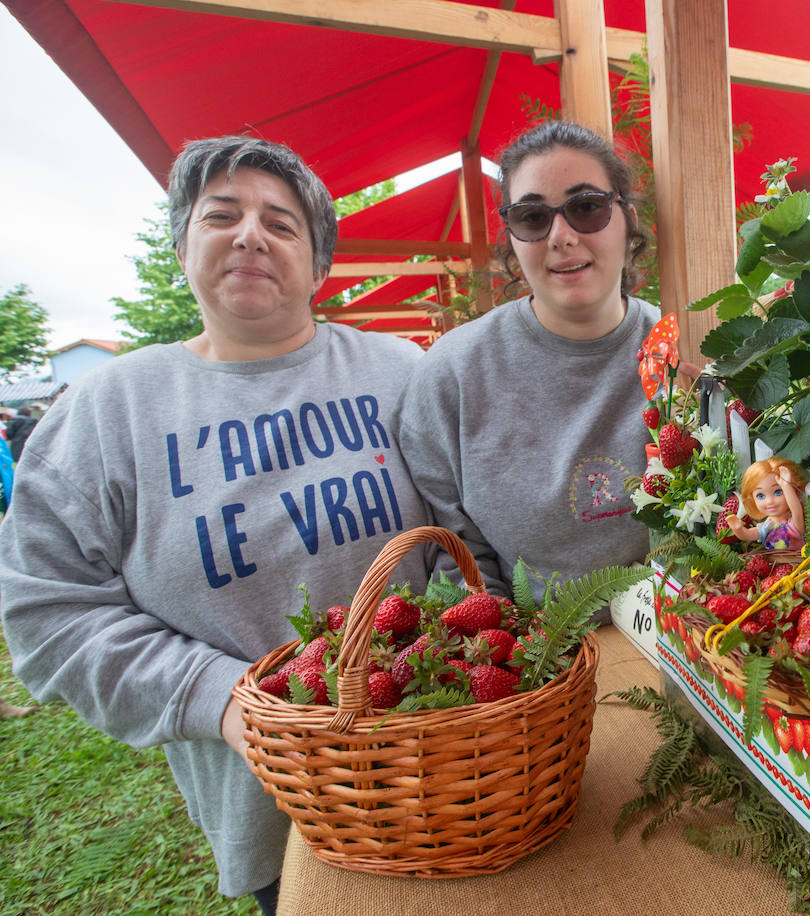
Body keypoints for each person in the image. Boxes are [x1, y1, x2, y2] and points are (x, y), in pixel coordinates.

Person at [0, 136, 432, 914]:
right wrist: (224, 701)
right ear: (183, 244)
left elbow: (475, 530)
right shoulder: (109, 411)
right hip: (272, 808)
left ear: (320, 263)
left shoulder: (401, 372)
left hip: (449, 758)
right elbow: (45, 614)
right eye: (221, 215)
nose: (249, 235)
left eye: (281, 222)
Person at [399, 120, 657, 609]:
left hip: (688, 645)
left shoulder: (682, 351)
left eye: (586, 207)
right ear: (513, 239)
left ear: (626, 219)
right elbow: (455, 555)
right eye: (533, 217)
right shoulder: (453, 373)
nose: (561, 235)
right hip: (533, 664)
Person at [726, 456, 807, 551]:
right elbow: (747, 534)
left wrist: (786, 486)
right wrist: (738, 529)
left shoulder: (793, 524)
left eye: (778, 492)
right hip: (773, 564)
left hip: (798, 563)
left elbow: (796, 511)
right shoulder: (767, 526)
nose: (770, 501)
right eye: (760, 496)